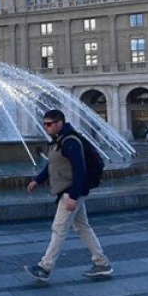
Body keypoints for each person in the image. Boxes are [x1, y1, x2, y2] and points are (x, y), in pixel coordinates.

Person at [24, 109, 113, 282]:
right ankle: (102, 263)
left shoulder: (70, 141)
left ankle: (45, 267)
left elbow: (80, 169)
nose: (46, 127)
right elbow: (53, 165)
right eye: (44, 124)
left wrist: (73, 195)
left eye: (49, 124)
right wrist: (37, 180)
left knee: (59, 229)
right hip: (71, 191)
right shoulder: (59, 140)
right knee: (82, 227)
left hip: (71, 191)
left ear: (60, 123)